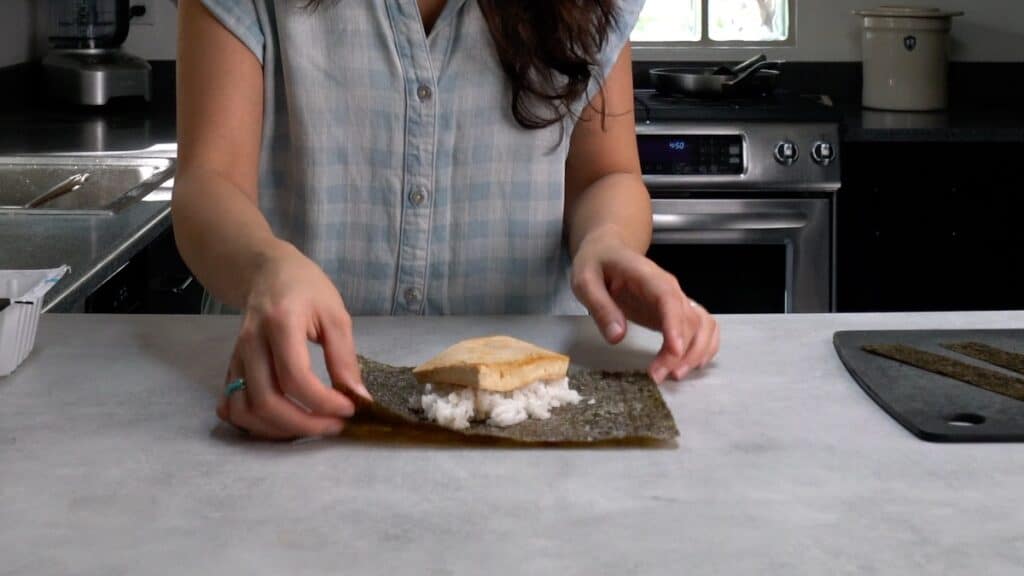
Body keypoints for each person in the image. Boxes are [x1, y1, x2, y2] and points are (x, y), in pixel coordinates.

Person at [173, 0, 720, 440]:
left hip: (530, 419)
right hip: (293, 390)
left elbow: (606, 177)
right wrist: (266, 266)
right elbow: (209, 183)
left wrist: (607, 241)